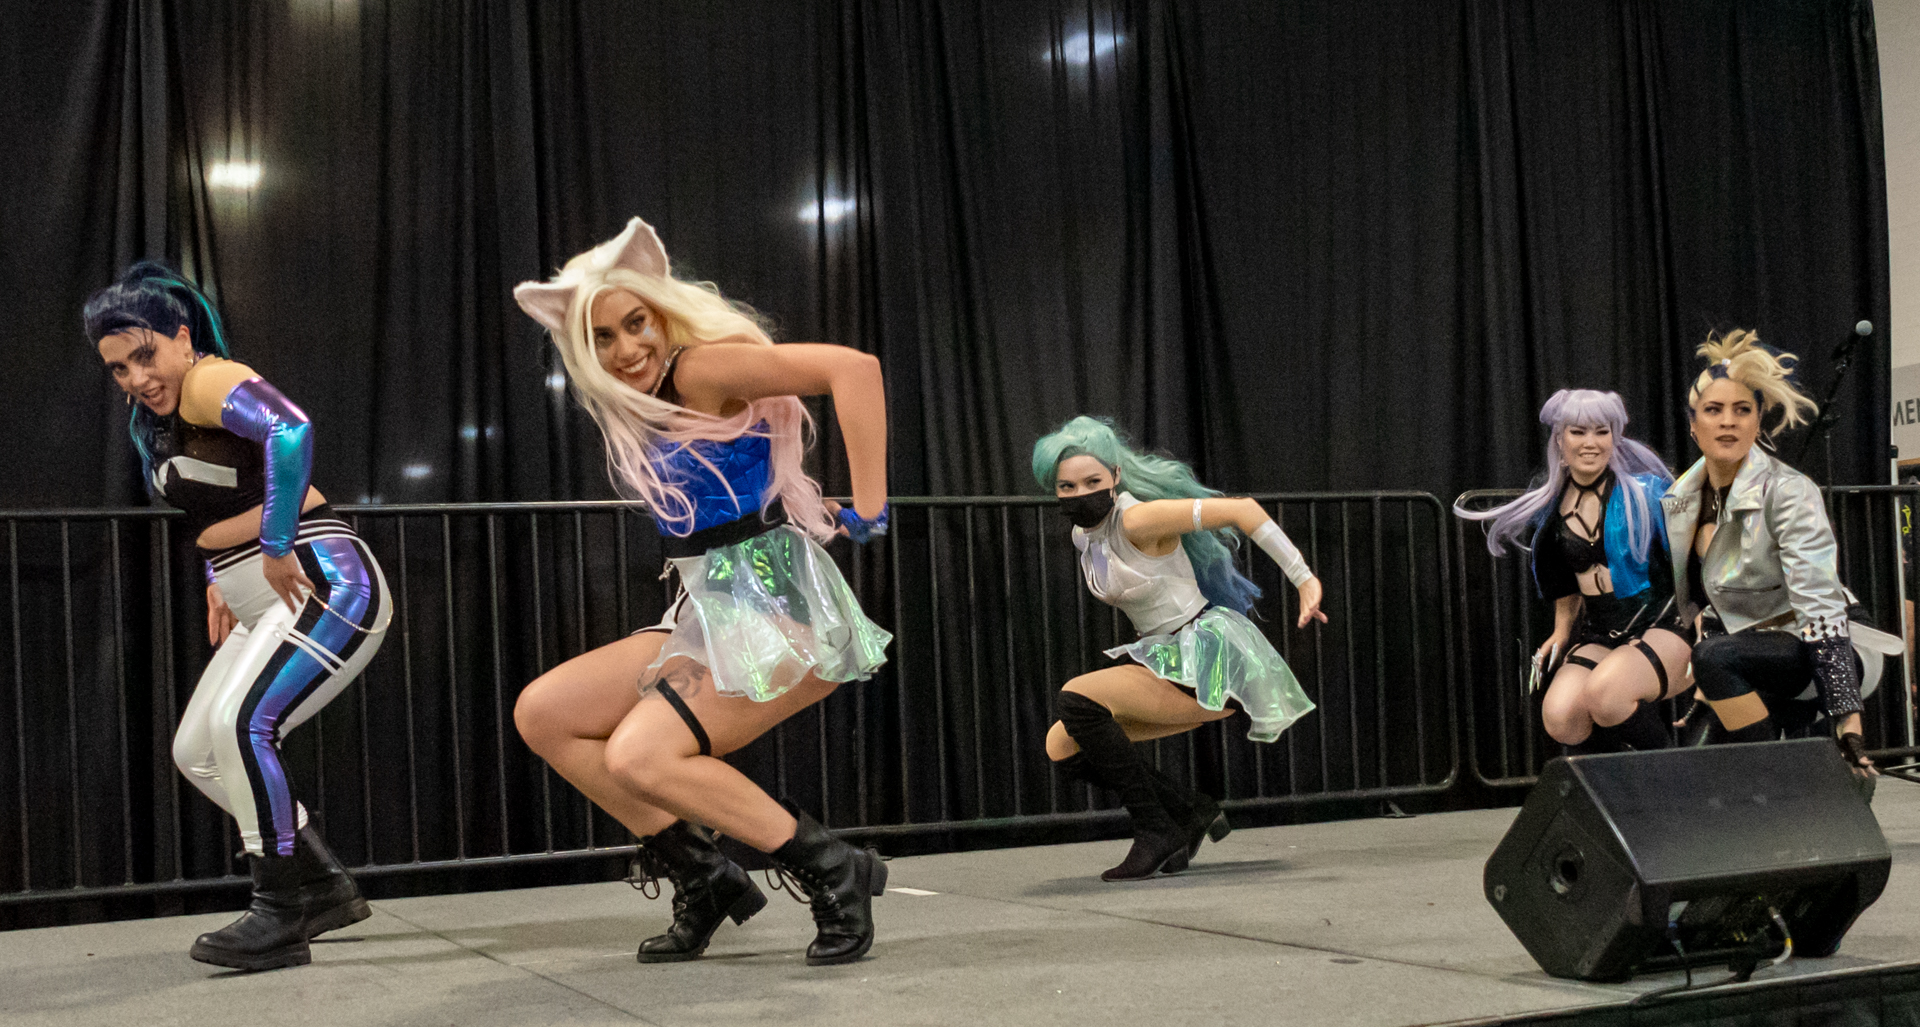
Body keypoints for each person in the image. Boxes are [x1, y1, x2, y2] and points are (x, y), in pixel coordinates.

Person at [511, 218, 894, 965]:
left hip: (772, 604)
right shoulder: (643, 399)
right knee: (544, 713)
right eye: (603, 339)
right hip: (702, 604)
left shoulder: (699, 370)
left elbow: (855, 368)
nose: (627, 350)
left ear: (660, 311)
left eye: (636, 322)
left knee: (639, 757)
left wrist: (873, 501)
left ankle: (830, 867)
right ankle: (704, 873)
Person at [85, 262, 391, 971]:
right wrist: (218, 574)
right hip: (260, 595)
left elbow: (290, 431)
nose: (135, 376)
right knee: (196, 748)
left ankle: (278, 912)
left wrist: (276, 541)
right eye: (118, 367)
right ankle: (320, 884)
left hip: (320, 581)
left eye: (144, 354)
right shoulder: (155, 417)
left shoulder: (207, 379)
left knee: (241, 725)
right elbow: (214, 502)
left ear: (180, 337)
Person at [1033, 416, 1320, 881]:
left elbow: (1243, 510)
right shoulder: (1084, 534)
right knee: (1062, 745)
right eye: (1066, 485)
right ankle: (1189, 811)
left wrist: (1304, 580)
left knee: (1077, 699)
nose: (1078, 492)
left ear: (1116, 478)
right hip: (1164, 655)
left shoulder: (1138, 518)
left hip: (1205, 656)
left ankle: (1155, 830)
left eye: (1092, 481)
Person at [1665, 330, 1900, 780]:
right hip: (1747, 651)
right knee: (1693, 772)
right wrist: (1703, 690)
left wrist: (1847, 718)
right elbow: (1710, 601)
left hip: (1824, 644)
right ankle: (1802, 770)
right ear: (1694, 425)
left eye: (1742, 410)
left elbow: (1820, 605)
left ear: (1758, 422)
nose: (1728, 422)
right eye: (1714, 411)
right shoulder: (1681, 499)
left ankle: (1782, 780)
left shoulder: (1789, 491)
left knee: (1714, 659)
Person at [1453, 390, 1687, 754]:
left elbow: (1692, 559)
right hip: (1603, 632)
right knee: (1562, 716)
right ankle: (1618, 792)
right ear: (1559, 440)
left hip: (1664, 624)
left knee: (1605, 694)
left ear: (1615, 437)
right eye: (1578, 432)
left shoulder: (1648, 494)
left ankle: (1676, 780)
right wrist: (1562, 631)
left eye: (1601, 431)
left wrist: (1706, 619)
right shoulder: (1551, 513)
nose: (1591, 443)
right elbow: (1564, 582)